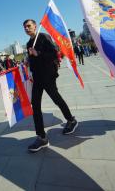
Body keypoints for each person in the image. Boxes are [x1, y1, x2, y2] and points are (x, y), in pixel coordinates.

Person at [23, 19, 78, 153]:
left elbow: (55, 53)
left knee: (56, 98)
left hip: (48, 75)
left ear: (35, 26)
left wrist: (38, 53)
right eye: (24, 27)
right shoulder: (29, 43)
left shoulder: (43, 37)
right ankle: (41, 137)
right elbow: (33, 59)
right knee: (35, 105)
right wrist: (28, 61)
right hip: (37, 77)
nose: (27, 28)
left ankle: (71, 120)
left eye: (29, 26)